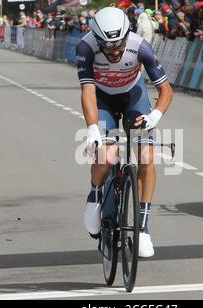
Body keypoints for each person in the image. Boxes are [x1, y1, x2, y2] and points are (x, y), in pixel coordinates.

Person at [76, 7, 173, 258]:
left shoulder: (141, 47)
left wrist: (155, 116)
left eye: (119, 45)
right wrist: (93, 129)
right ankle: (95, 194)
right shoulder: (86, 48)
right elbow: (87, 92)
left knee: (146, 158)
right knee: (106, 157)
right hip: (102, 100)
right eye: (108, 48)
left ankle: (142, 228)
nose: (115, 51)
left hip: (133, 98)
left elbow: (166, 91)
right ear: (97, 41)